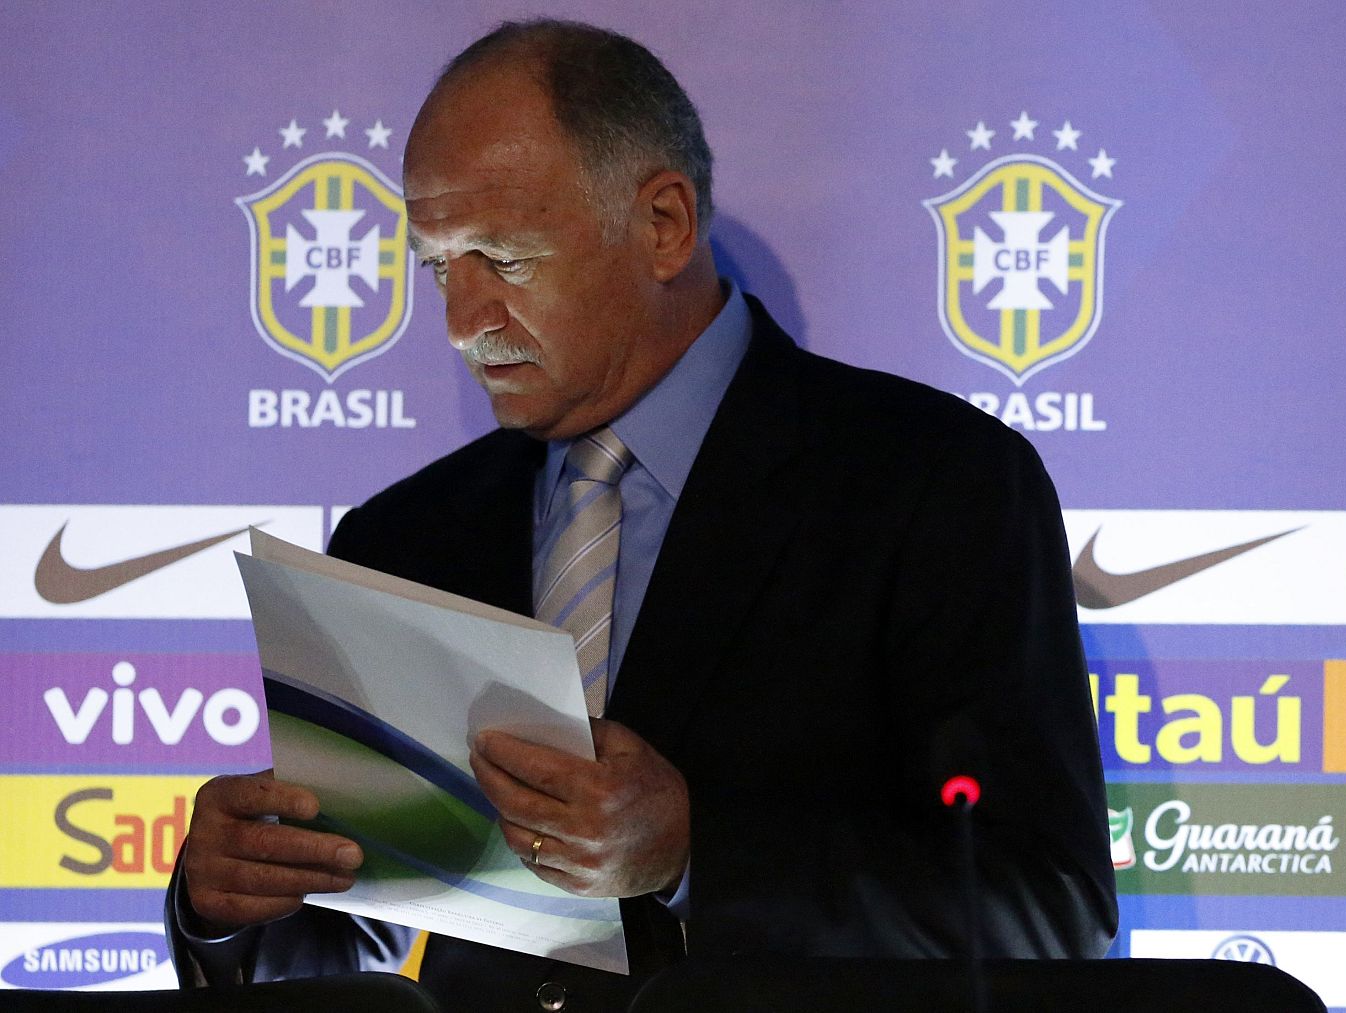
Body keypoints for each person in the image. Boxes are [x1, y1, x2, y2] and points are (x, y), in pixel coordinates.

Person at [166, 19, 1116, 1012]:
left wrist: (694, 854)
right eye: (439, 267)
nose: (461, 321)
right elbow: (337, 944)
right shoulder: (403, 539)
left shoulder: (932, 483)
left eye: (503, 257)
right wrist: (232, 899)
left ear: (663, 223)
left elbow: (1044, 909)